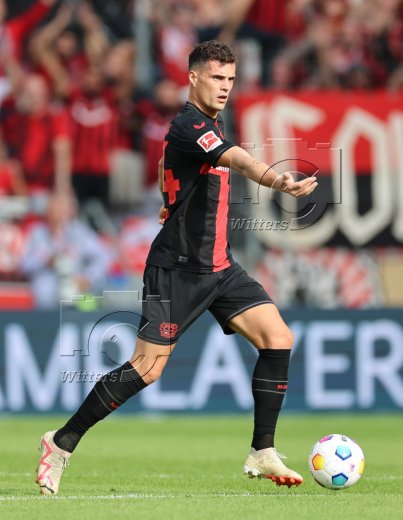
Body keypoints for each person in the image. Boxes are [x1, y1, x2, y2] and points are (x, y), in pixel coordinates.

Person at [36, 40, 318, 495]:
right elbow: (236, 158)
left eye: (230, 79)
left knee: (278, 337)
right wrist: (276, 180)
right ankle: (61, 442)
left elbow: (171, 167)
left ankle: (262, 449)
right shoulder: (191, 124)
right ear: (193, 77)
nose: (225, 87)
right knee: (147, 368)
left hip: (220, 267)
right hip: (177, 270)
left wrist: (171, 200)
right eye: (216, 77)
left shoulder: (206, 126)